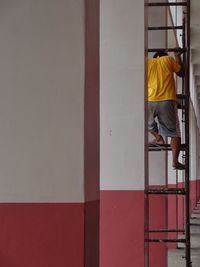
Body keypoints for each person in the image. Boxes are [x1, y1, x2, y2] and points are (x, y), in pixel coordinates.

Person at [148, 49, 185, 170]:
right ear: (164, 55)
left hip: (149, 100)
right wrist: (177, 56)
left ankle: (158, 138)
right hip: (167, 100)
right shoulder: (168, 59)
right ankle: (175, 162)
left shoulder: (147, 63)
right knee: (174, 133)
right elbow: (181, 73)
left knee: (147, 124)